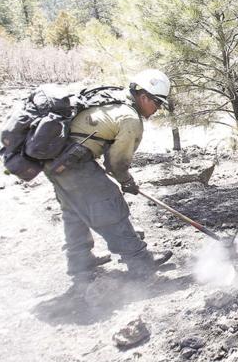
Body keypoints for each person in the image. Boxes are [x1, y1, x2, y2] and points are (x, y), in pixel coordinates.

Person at [46, 69, 175, 280]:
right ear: (144, 97)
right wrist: (126, 182)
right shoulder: (130, 118)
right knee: (109, 204)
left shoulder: (114, 100)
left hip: (55, 160)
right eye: (157, 103)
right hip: (73, 163)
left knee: (74, 209)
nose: (157, 109)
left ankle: (79, 262)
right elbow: (117, 163)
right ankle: (140, 261)